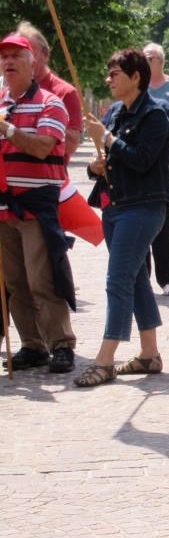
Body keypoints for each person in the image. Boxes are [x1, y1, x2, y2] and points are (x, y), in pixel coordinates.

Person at [74, 49, 169, 387]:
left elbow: (142, 159)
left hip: (145, 207)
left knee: (116, 279)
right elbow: (110, 158)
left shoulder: (156, 114)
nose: (108, 79)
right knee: (133, 279)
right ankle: (149, 354)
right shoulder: (116, 112)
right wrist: (96, 164)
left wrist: (106, 139)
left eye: (115, 73)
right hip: (115, 205)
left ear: (136, 77)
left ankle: (105, 360)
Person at [0, 32, 76, 374]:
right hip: (3, 208)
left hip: (34, 207)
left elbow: (45, 146)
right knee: (14, 284)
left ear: (33, 64)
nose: (9, 62)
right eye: (4, 57)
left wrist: (9, 131)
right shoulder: (0, 102)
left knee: (41, 280)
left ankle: (61, 344)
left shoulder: (50, 102)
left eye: (16, 56)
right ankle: (32, 345)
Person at [138, 42, 169, 294]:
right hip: (135, 171)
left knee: (163, 221)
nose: (146, 62)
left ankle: (166, 278)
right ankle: (142, 276)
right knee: (139, 225)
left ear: (160, 61)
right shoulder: (124, 103)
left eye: (150, 58)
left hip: (161, 167)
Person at [17, 22, 81, 161]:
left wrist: (43, 122)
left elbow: (71, 146)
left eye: (29, 53)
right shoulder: (6, 92)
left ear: (45, 55)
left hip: (48, 178)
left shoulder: (66, 92)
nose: (22, 60)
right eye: (17, 54)